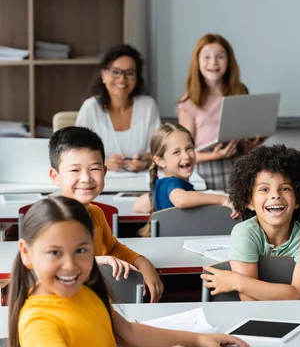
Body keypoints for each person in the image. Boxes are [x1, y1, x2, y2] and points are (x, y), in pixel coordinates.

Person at [1, 197, 247, 347]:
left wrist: (199, 339)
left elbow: (127, 332)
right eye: (55, 252)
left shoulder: (86, 292)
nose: (70, 265)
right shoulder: (38, 318)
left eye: (81, 250)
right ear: (26, 253)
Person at [49, 126, 164, 302]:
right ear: (55, 176)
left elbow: (113, 248)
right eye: (74, 170)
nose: (86, 178)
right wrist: (96, 262)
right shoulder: (51, 221)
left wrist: (142, 262)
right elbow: (50, 266)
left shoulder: (96, 213)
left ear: (105, 171)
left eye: (94, 169)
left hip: (94, 303)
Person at [201, 144, 300, 301]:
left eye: (285, 188)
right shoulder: (244, 233)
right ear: (249, 201)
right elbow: (248, 300)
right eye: (264, 189)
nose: (275, 195)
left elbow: (298, 295)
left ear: (298, 199)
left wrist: (238, 282)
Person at [177, 33, 261, 191]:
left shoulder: (240, 91)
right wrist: (216, 155)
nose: (213, 62)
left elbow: (245, 141)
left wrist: (253, 141)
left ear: (229, 61)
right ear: (197, 62)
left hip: (238, 167)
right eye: (206, 57)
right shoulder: (190, 101)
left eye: (220, 56)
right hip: (205, 172)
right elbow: (184, 153)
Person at [76, 44, 160, 172]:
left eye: (129, 73)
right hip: (100, 184)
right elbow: (77, 153)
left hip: (139, 185)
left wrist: (144, 161)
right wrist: (103, 163)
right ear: (104, 75)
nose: (122, 79)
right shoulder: (91, 108)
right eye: (115, 72)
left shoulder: (148, 106)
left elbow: (158, 151)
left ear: (137, 78)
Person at [134, 123, 237, 218]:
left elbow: (138, 205)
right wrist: (222, 199)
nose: (186, 155)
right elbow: (181, 200)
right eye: (176, 152)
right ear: (160, 161)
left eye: (189, 148)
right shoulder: (172, 183)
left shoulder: (163, 186)